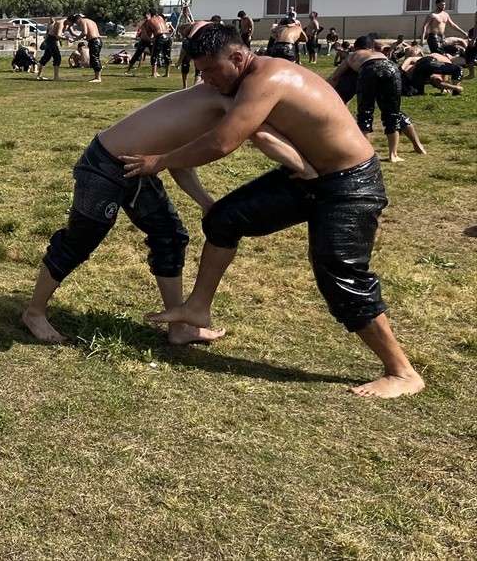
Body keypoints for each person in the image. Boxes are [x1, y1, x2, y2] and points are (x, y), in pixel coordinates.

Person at [123, 23, 424, 399]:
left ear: (237, 57)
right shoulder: (250, 78)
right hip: (307, 179)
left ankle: (402, 371)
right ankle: (197, 309)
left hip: (350, 185)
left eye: (211, 70)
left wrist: (160, 161)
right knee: (223, 218)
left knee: (340, 275)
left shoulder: (269, 77)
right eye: (200, 72)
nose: (206, 80)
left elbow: (221, 142)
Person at [22, 68, 317, 347]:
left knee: (171, 236)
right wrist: (309, 170)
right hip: (104, 166)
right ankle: (34, 313)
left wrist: (205, 202)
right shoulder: (227, 97)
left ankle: (180, 327)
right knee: (78, 243)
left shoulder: (213, 97)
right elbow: (263, 134)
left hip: (136, 167)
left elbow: (178, 160)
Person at [332, 36, 426, 162]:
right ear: (371, 47)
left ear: (356, 47)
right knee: (393, 113)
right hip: (391, 68)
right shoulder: (378, 53)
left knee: (365, 113)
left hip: (369, 70)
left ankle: (366, 154)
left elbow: (335, 77)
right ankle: (394, 155)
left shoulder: (353, 55)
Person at [36, 15, 76, 81]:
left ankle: (39, 76)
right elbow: (58, 36)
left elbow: (73, 33)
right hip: (50, 39)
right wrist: (68, 38)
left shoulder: (68, 24)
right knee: (57, 57)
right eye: (72, 23)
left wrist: (82, 36)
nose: (72, 25)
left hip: (53, 40)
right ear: (68, 21)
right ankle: (56, 76)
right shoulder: (60, 23)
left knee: (46, 57)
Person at [68, 14, 103, 82]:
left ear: (78, 20)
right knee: (95, 58)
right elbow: (90, 32)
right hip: (98, 40)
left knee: (94, 59)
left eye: (76, 23)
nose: (78, 25)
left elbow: (84, 32)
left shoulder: (83, 21)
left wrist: (76, 39)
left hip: (94, 41)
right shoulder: (90, 21)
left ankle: (98, 78)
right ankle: (97, 76)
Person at [144, 9, 173, 78]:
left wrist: (150, 38)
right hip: (168, 36)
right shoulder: (160, 18)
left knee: (155, 54)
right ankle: (167, 74)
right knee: (167, 55)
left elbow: (149, 32)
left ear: (150, 14)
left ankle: (154, 74)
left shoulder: (150, 21)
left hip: (160, 37)